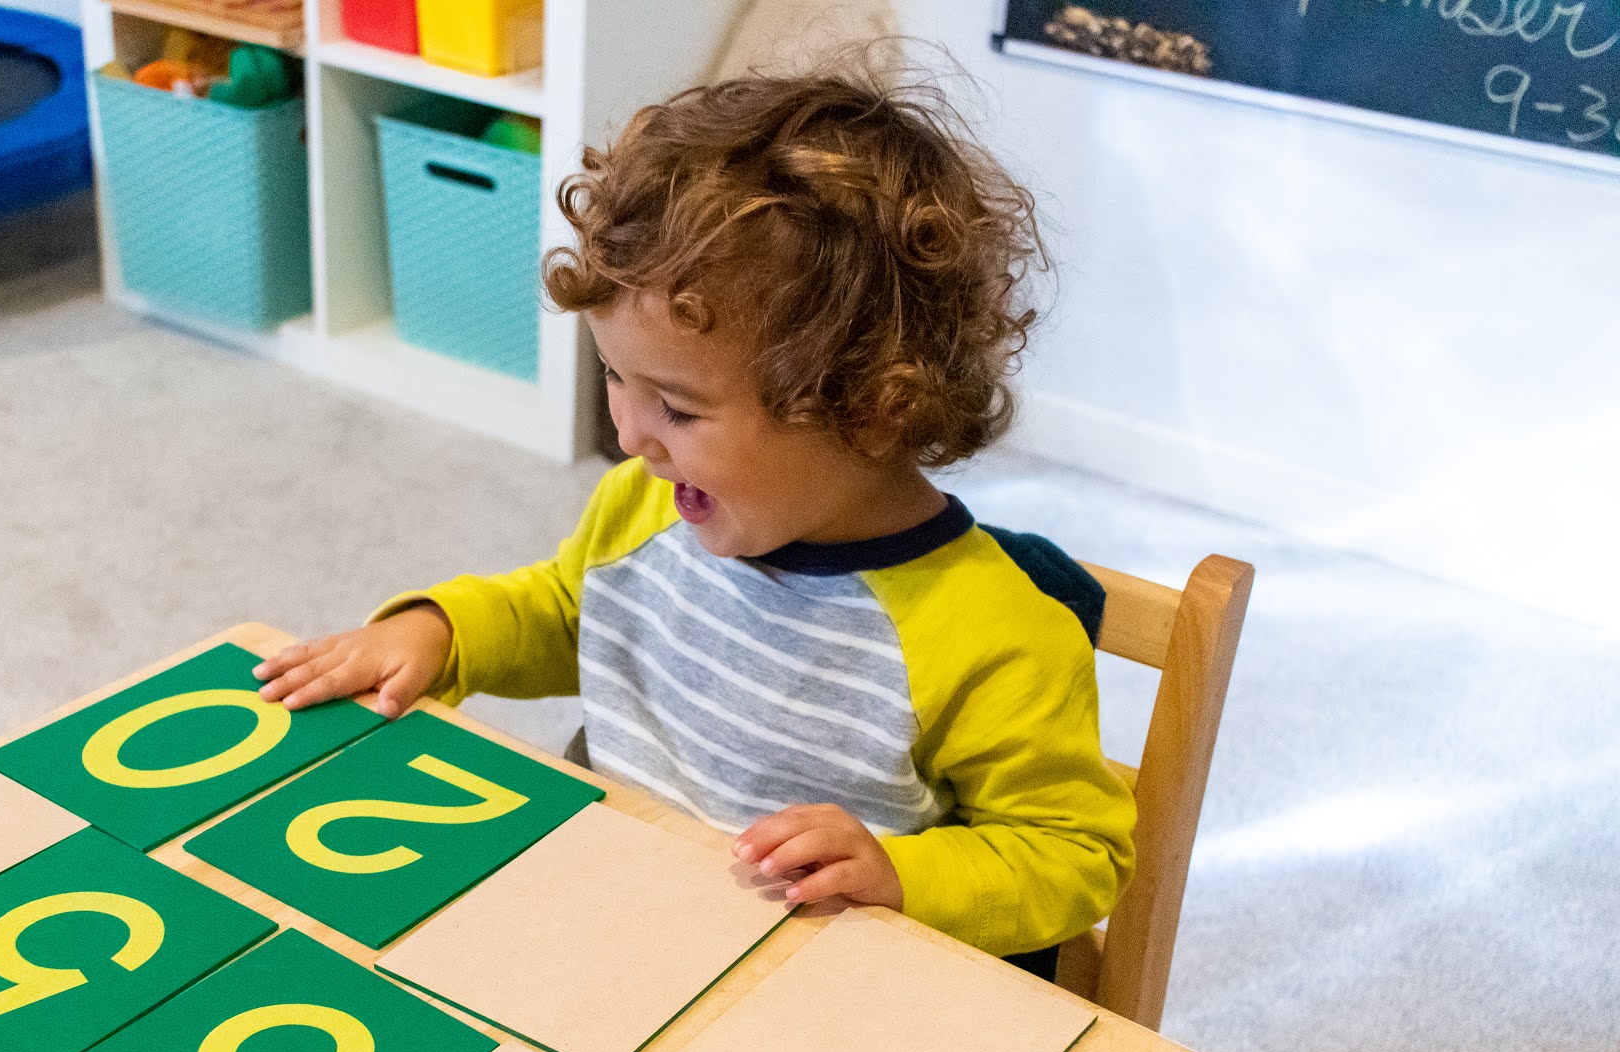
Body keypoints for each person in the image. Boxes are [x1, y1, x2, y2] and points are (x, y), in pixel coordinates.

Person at [253, 69, 1135, 973]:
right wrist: (440, 632)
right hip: (623, 922)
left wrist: (901, 872)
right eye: (614, 378)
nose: (631, 436)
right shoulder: (647, 510)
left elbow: (1075, 856)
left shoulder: (994, 635)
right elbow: (569, 612)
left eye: (676, 408)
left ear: (873, 411)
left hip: (824, 992)